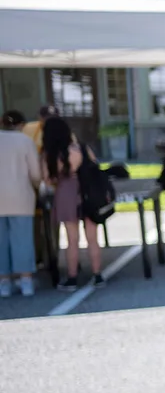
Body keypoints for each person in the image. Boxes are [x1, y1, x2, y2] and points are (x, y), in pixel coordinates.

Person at [42, 117, 104, 291]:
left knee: (72, 239)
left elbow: (48, 180)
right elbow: (95, 167)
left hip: (66, 194)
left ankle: (72, 278)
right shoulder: (82, 148)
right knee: (92, 238)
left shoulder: (53, 154)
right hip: (87, 193)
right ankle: (97, 275)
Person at [0, 110, 41, 297]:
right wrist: (36, 186)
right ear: (21, 124)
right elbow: (35, 173)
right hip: (21, 195)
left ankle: (4, 283)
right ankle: (26, 281)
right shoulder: (25, 141)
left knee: (1, 242)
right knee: (22, 239)